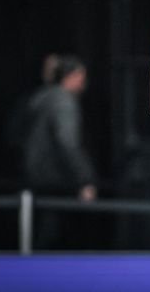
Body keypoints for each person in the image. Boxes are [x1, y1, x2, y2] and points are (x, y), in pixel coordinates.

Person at [22, 54, 97, 248]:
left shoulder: (41, 97)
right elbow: (67, 142)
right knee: (57, 236)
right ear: (70, 76)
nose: (83, 84)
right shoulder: (63, 102)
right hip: (58, 179)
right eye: (81, 77)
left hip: (36, 175)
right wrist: (84, 179)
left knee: (43, 231)